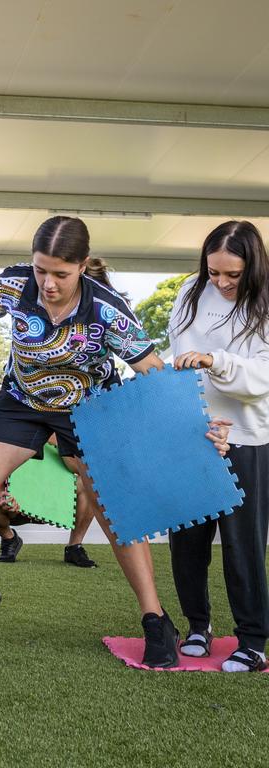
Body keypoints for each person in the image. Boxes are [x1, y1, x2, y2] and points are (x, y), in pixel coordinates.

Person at [0, 215, 229, 668]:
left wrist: (194, 423)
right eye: (41, 269)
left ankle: (155, 618)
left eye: (60, 273)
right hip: (22, 400)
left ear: (82, 266)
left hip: (88, 409)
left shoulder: (106, 310)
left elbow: (154, 371)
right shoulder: (14, 286)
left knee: (112, 511)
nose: (48, 283)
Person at [169, 220, 269, 672]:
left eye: (234, 275)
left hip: (248, 437)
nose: (223, 282)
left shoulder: (265, 301)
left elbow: (262, 378)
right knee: (186, 539)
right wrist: (200, 418)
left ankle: (252, 640)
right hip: (194, 433)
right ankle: (198, 625)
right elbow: (178, 357)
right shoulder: (191, 291)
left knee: (241, 543)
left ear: (253, 267)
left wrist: (215, 360)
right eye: (215, 272)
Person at [0, 438, 98, 567]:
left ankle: (74, 547)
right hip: (15, 504)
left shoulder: (63, 429)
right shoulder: (8, 428)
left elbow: (79, 469)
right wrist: (3, 495)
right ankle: (9, 539)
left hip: (53, 501)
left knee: (89, 482)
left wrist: (61, 444)